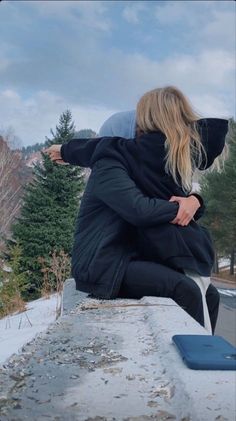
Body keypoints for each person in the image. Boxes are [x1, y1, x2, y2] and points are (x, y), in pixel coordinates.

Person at [45, 86, 228, 334]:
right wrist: (182, 205)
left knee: (211, 294)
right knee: (185, 290)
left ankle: (206, 354)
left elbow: (172, 201)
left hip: (135, 254)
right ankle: (193, 356)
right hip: (105, 261)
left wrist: (194, 201)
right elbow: (139, 210)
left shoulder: (142, 169)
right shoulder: (108, 166)